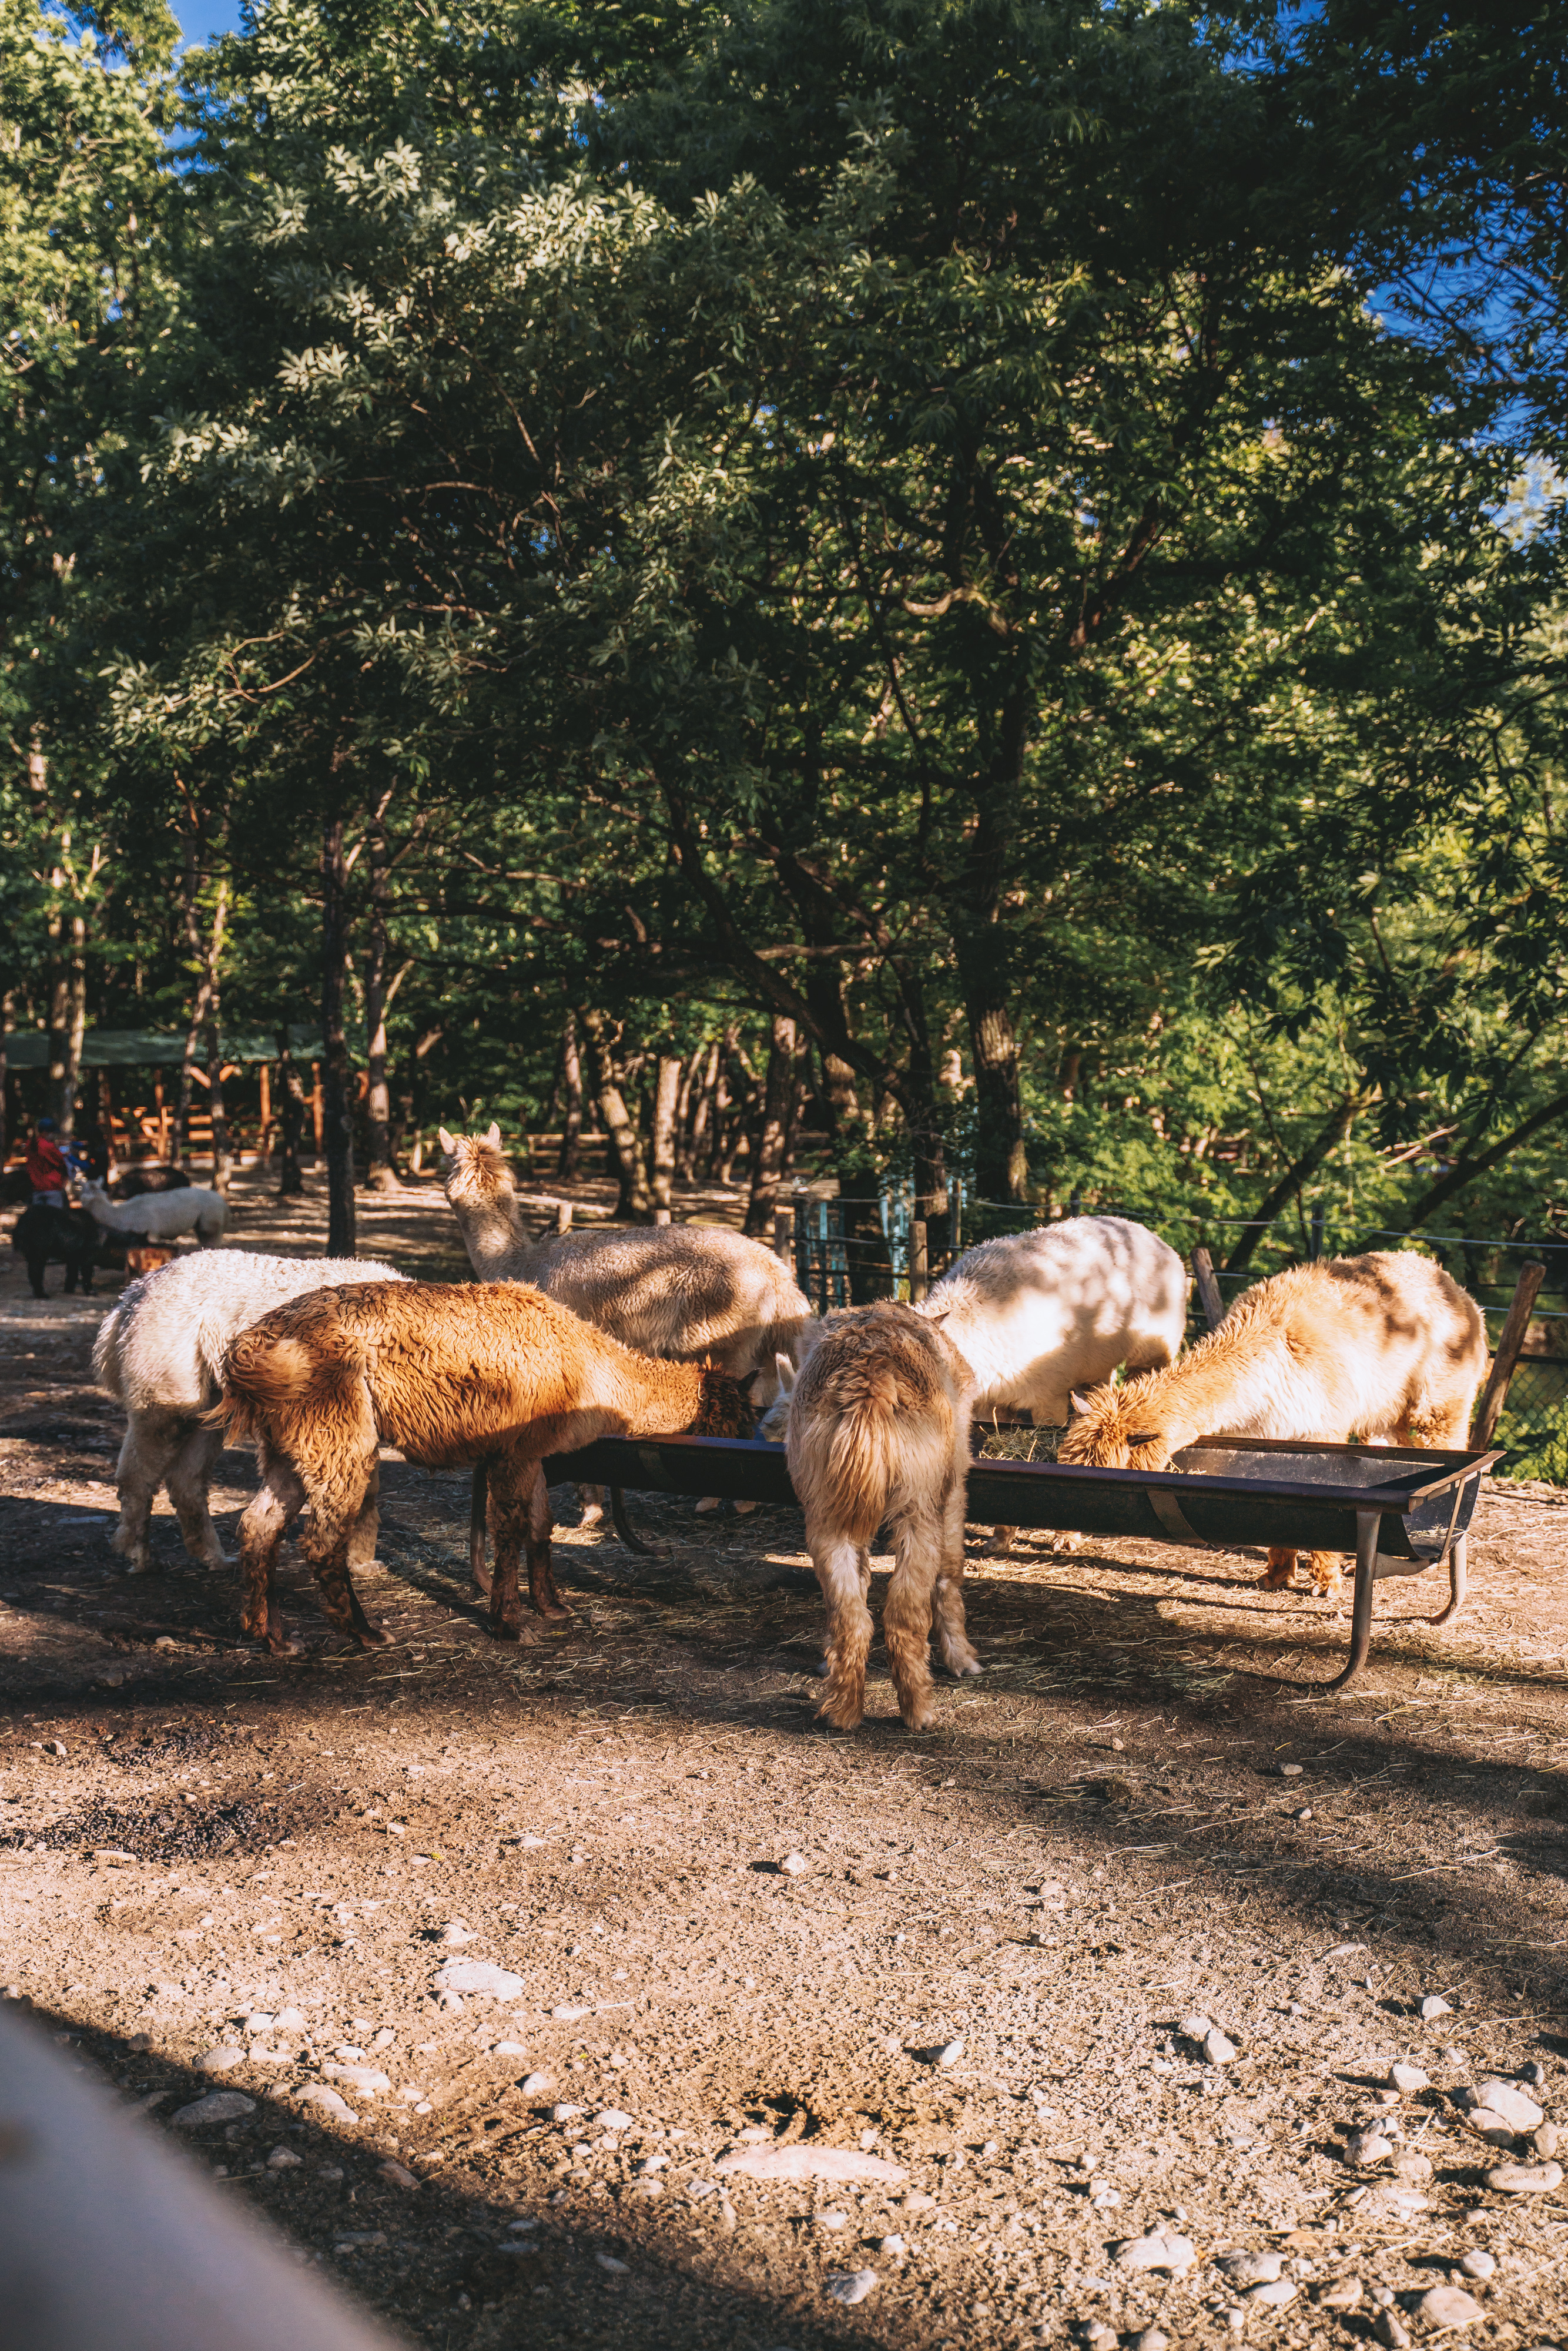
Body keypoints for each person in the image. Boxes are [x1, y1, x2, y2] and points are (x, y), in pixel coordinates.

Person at [25, 1117, 71, 1208]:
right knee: (56, 1217)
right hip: (52, 1188)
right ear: (46, 1132)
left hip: (35, 1188)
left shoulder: (30, 1144)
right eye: (53, 1133)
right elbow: (61, 1163)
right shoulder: (49, 1147)